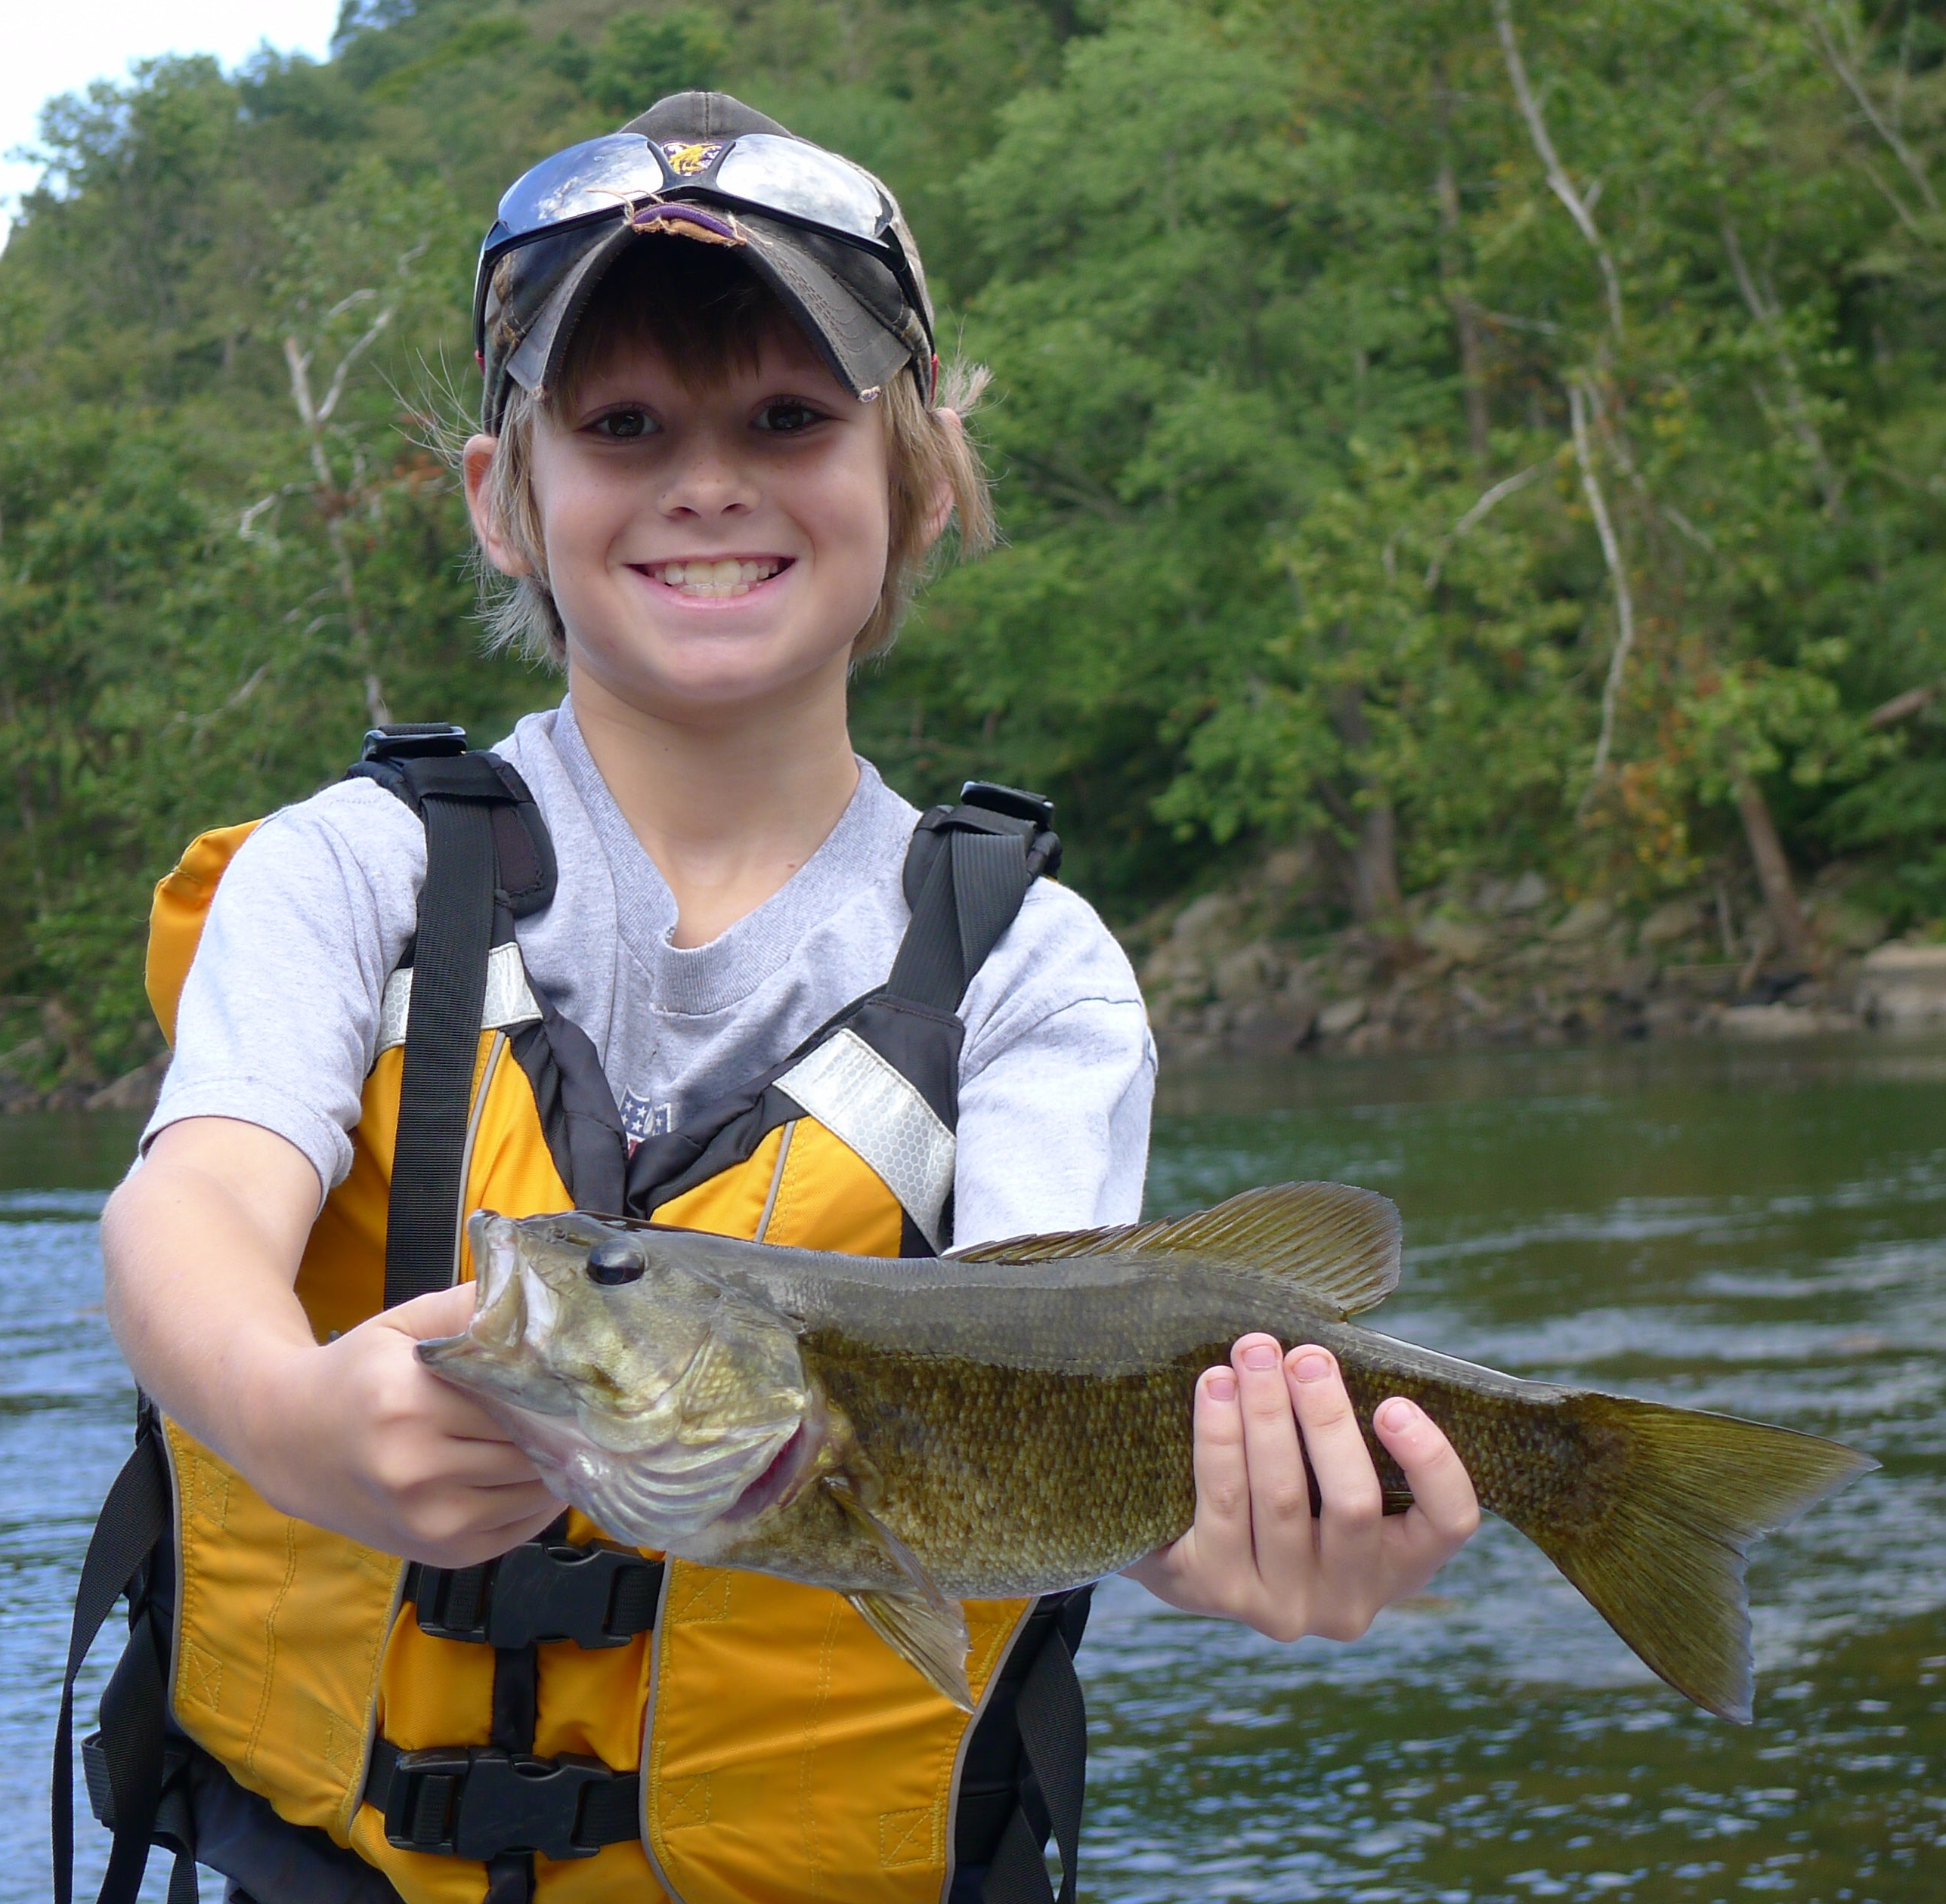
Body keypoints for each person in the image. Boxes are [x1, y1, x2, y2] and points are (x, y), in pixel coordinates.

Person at [75, 90, 1480, 1904]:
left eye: (791, 418)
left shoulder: (1037, 974)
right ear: (508, 501)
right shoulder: (340, 873)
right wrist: (280, 1416)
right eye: (626, 424)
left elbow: (1055, 1411)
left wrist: (1232, 1548)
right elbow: (186, 1206)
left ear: (924, 484)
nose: (707, 478)